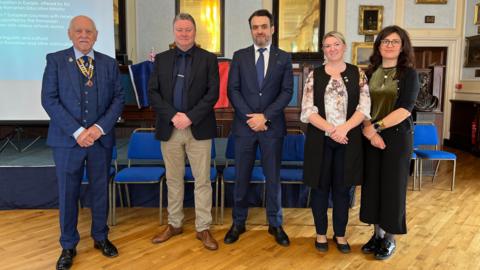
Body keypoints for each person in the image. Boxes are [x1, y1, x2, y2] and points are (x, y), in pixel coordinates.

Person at [41, 15, 124, 270]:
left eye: (89, 31)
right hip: (67, 142)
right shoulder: (55, 61)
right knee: (68, 194)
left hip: (100, 141)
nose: (84, 34)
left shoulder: (109, 64)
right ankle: (68, 245)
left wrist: (97, 129)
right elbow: (49, 100)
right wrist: (78, 132)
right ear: (70, 34)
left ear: (96, 35)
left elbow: (118, 99)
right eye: (79, 30)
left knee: (100, 190)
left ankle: (100, 236)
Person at [148, 13, 219, 251]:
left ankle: (203, 227)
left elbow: (212, 93)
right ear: (173, 32)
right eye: (179, 30)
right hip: (170, 128)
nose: (184, 34)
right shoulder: (162, 59)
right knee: (174, 179)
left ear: (195, 32)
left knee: (202, 180)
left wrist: (189, 116)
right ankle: (175, 223)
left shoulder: (208, 59)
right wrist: (174, 116)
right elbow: (153, 93)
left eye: (188, 29)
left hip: (198, 127)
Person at [224, 9, 293, 247]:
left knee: (273, 177)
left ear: (272, 29)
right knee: (241, 176)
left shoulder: (284, 57)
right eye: (255, 27)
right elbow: (233, 90)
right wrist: (250, 117)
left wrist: (266, 117)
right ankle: (238, 222)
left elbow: (287, 92)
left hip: (272, 128)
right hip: (244, 128)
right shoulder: (239, 56)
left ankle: (275, 223)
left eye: (264, 26)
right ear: (251, 30)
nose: (260, 31)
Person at [301, 31, 371, 253]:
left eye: (336, 44)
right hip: (321, 140)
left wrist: (344, 129)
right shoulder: (315, 75)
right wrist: (332, 130)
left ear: (344, 47)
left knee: (342, 190)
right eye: (327, 45)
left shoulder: (357, 73)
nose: (332, 48)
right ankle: (320, 234)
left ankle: (340, 235)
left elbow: (364, 108)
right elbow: (307, 111)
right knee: (320, 190)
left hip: (348, 140)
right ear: (323, 49)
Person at [360, 25, 419, 260]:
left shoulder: (409, 74)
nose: (390, 45)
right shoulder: (369, 71)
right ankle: (376, 235)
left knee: (392, 189)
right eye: (385, 41)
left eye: (395, 41)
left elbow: (406, 108)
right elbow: (362, 105)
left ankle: (389, 239)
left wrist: (376, 128)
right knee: (372, 186)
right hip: (369, 136)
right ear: (378, 45)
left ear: (403, 46)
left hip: (396, 138)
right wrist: (369, 130)